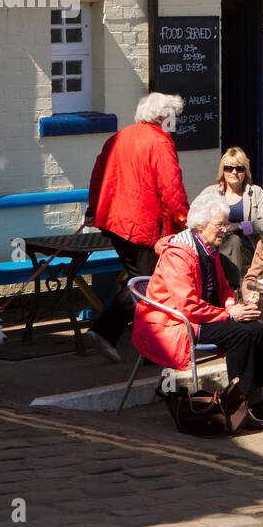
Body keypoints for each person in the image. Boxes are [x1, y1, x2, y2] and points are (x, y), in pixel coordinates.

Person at [132, 192, 263, 420]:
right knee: (240, 334)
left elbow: (225, 287)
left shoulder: (209, 248)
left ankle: (257, 398)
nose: (225, 229)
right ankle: (236, 407)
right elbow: (187, 307)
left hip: (199, 316)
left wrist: (231, 305)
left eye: (226, 224)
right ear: (200, 225)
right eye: (220, 224)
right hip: (174, 323)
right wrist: (228, 314)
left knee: (257, 329)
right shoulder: (179, 254)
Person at [84, 92, 190, 363]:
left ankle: (134, 339)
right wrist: (184, 222)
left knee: (143, 280)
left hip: (115, 222)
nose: (174, 122)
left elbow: (97, 175)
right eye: (172, 116)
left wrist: (93, 210)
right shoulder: (160, 142)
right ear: (161, 116)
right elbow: (171, 187)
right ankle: (113, 333)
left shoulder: (118, 137)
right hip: (142, 226)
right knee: (150, 283)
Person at [197, 147, 263, 290]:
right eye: (229, 168)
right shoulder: (211, 192)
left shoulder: (255, 193)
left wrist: (240, 226)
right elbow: (194, 216)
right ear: (223, 171)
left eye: (239, 168)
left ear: (245, 172)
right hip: (214, 247)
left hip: (245, 250)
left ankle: (232, 290)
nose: (234, 172)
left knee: (233, 241)